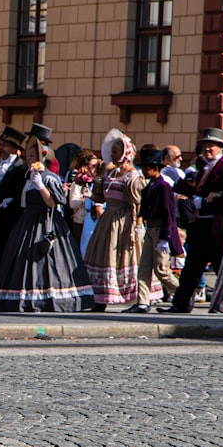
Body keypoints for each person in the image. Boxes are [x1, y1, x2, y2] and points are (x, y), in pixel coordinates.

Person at [0, 134, 94, 312]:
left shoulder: (48, 178)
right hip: (28, 221)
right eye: (28, 156)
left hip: (46, 221)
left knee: (50, 262)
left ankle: (51, 300)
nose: (28, 159)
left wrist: (40, 185)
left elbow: (54, 203)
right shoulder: (28, 177)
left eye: (32, 156)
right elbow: (24, 203)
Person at [161, 128, 223, 313]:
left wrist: (204, 204)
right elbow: (197, 193)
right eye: (204, 145)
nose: (207, 149)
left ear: (221, 147)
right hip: (202, 225)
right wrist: (178, 183)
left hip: (216, 227)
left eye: (211, 145)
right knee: (192, 267)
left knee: (221, 266)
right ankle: (181, 303)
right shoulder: (205, 167)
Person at [84, 129, 144, 311]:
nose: (111, 155)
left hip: (123, 221)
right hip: (107, 221)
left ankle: (129, 296)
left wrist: (136, 227)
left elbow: (138, 205)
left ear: (125, 154)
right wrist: (90, 193)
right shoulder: (111, 174)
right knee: (101, 256)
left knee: (119, 257)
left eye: (116, 152)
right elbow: (101, 197)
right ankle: (99, 298)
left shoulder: (133, 177)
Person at [124, 148, 181, 313]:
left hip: (160, 229)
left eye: (145, 168)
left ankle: (182, 294)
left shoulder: (164, 187)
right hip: (151, 229)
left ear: (155, 168)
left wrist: (165, 238)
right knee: (144, 268)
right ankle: (142, 302)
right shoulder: (150, 186)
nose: (142, 171)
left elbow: (169, 214)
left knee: (161, 269)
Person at [0, 126, 28, 310]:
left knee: (2, 264)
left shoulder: (19, 168)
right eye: (1, 144)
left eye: (6, 145)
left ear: (15, 149)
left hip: (7, 224)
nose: (1, 148)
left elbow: (17, 199)